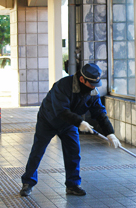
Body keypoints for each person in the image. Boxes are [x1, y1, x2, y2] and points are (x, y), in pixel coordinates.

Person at [20, 63, 121, 196]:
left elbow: (100, 113)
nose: (93, 87)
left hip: (69, 124)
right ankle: (28, 182)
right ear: (82, 80)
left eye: (95, 84)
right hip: (48, 120)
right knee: (37, 151)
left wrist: (110, 133)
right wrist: (80, 122)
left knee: (73, 152)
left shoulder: (91, 92)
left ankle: (73, 185)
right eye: (91, 84)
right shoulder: (63, 86)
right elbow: (61, 110)